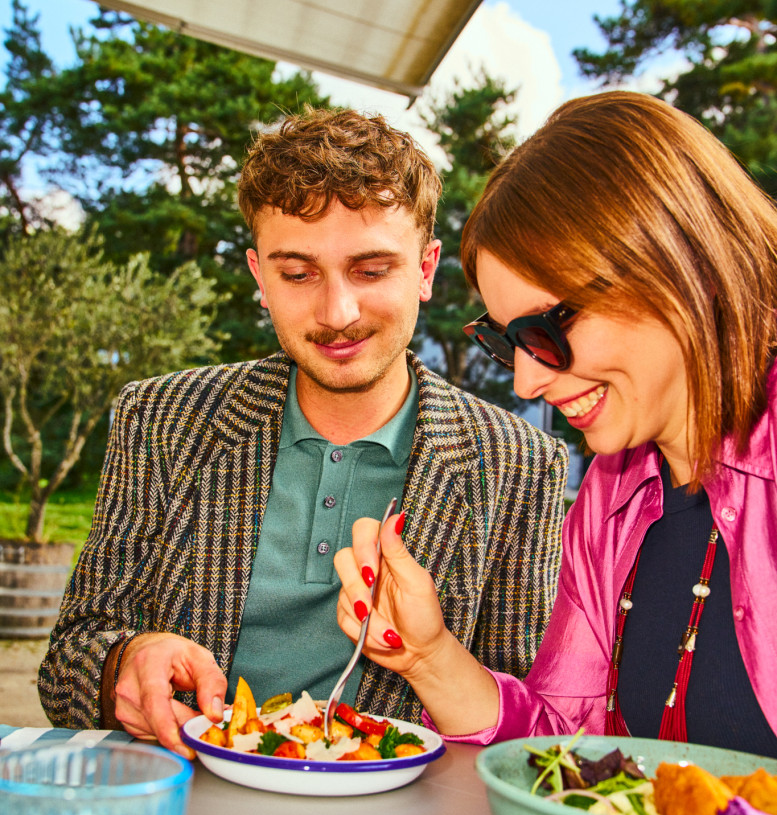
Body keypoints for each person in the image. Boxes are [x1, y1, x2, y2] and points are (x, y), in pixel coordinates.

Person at [38, 107, 568, 758]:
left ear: (426, 270)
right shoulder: (162, 420)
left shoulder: (518, 465)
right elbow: (68, 659)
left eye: (372, 270)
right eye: (297, 273)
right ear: (260, 275)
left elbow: (523, 724)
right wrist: (124, 660)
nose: (336, 313)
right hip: (184, 814)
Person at [334, 91, 777, 757]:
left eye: (544, 331)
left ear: (682, 264)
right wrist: (424, 655)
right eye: (506, 340)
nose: (527, 381)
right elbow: (568, 748)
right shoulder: (608, 500)